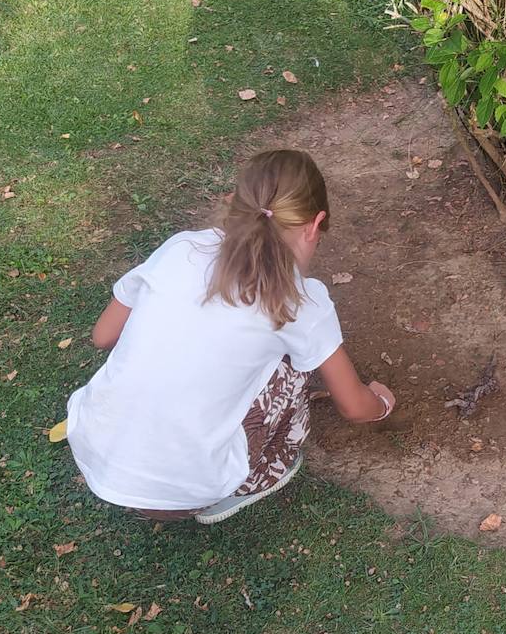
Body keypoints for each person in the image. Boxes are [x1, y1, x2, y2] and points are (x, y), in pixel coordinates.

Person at [62, 149, 394, 524]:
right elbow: (353, 407)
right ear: (315, 225)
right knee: (291, 367)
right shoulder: (300, 301)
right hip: (185, 494)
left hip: (94, 449)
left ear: (233, 204)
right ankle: (257, 476)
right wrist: (381, 402)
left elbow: (103, 336)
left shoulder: (182, 246)